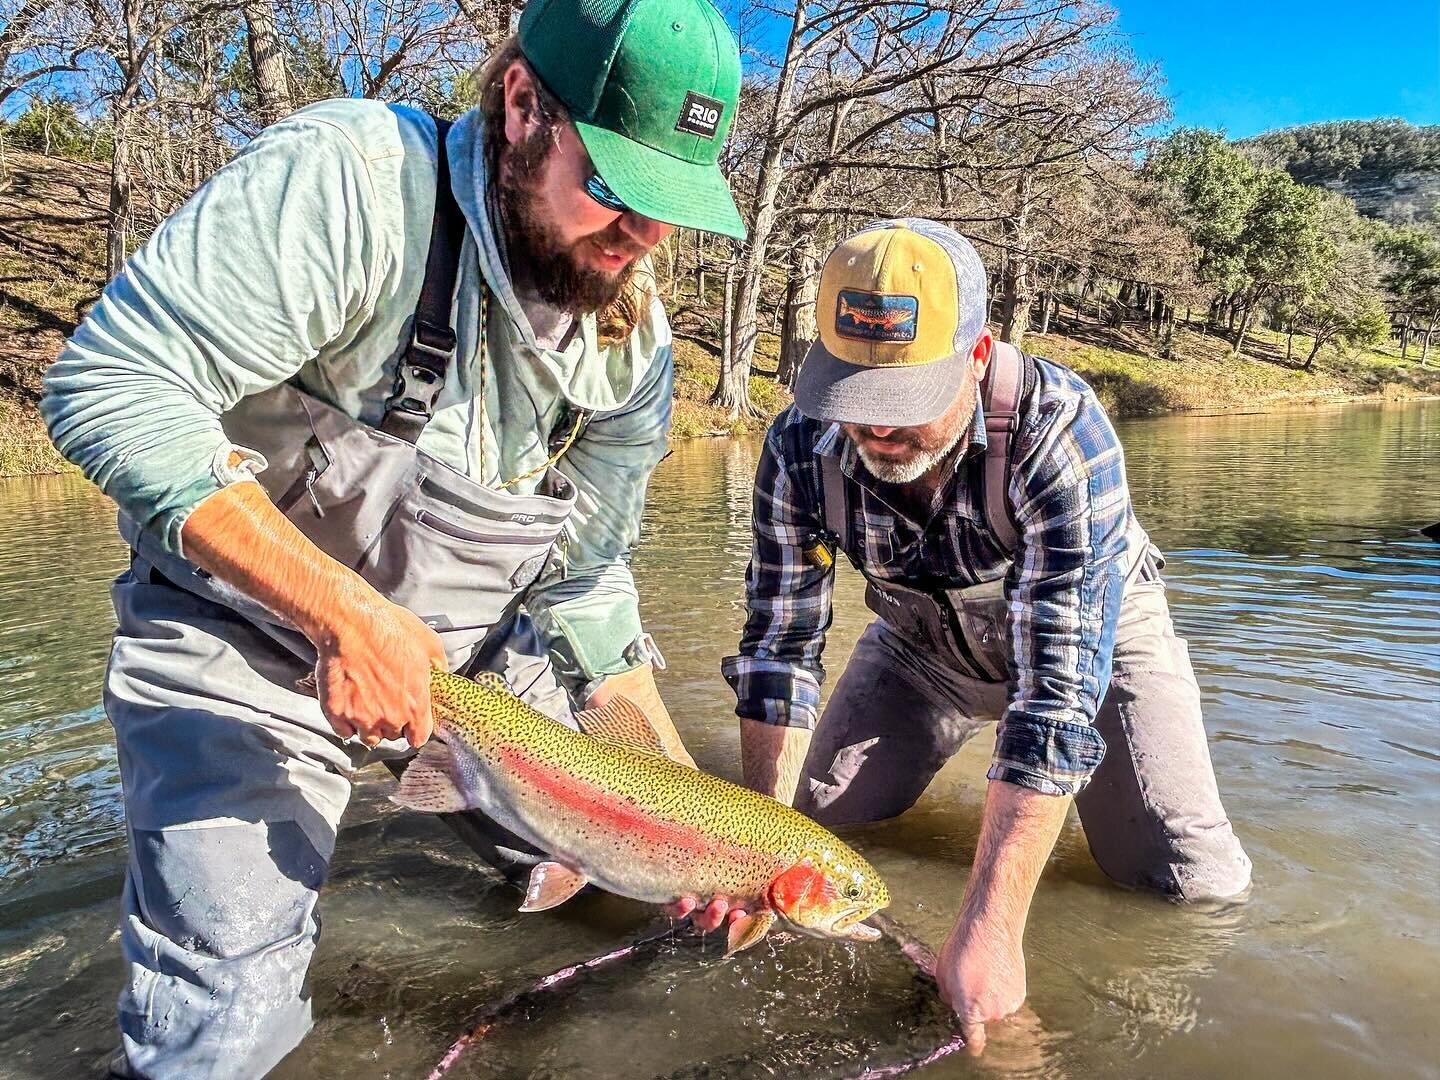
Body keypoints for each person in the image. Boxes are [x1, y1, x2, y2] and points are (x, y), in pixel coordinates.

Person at [41, 0, 745, 1072]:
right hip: (244, 639)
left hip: (474, 669)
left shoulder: (631, 346)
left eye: (672, 206)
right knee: (222, 1015)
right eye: (619, 190)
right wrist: (342, 613)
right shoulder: (356, 184)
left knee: (621, 884)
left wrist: (691, 822)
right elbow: (111, 384)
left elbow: (586, 587)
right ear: (521, 109)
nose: (644, 237)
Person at [722, 219, 1251, 1052]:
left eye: (901, 405)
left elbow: (1056, 698)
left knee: (1187, 886)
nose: (874, 432)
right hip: (918, 651)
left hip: (1099, 650)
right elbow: (780, 649)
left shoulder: (1059, 431)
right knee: (818, 825)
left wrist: (991, 926)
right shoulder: (797, 444)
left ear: (976, 355)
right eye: (853, 400)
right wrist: (749, 850)